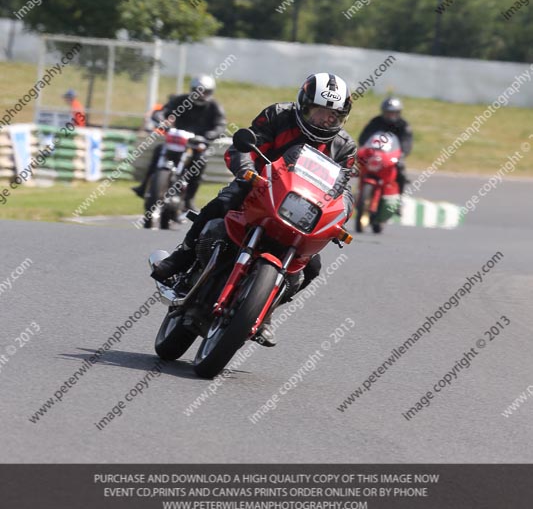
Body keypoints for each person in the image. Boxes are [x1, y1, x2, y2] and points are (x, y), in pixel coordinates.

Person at [151, 72, 356, 347]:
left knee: (313, 267)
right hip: (259, 190)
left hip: (302, 210)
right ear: (304, 106)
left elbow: (344, 188)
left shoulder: (344, 146)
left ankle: (265, 310)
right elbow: (245, 145)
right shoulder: (278, 116)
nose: (325, 120)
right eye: (320, 112)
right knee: (220, 205)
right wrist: (246, 169)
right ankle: (181, 258)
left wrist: (342, 214)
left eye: (333, 116)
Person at [132, 75, 226, 209]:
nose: (201, 95)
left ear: (210, 92)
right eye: (198, 91)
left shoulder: (214, 107)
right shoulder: (181, 100)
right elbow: (162, 111)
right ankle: (144, 186)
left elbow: (221, 125)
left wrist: (209, 135)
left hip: (197, 142)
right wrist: (160, 120)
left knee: (200, 161)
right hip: (177, 139)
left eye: (204, 92)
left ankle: (189, 199)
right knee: (159, 150)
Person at [358, 96, 413, 196]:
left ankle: (399, 198)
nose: (390, 115)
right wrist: (363, 146)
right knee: (354, 164)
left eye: (393, 113)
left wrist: (403, 153)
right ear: (383, 112)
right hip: (374, 153)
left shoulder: (403, 125)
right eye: (388, 112)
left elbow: (407, 141)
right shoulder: (376, 121)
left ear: (398, 113)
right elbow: (365, 136)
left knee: (400, 169)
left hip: (391, 155)